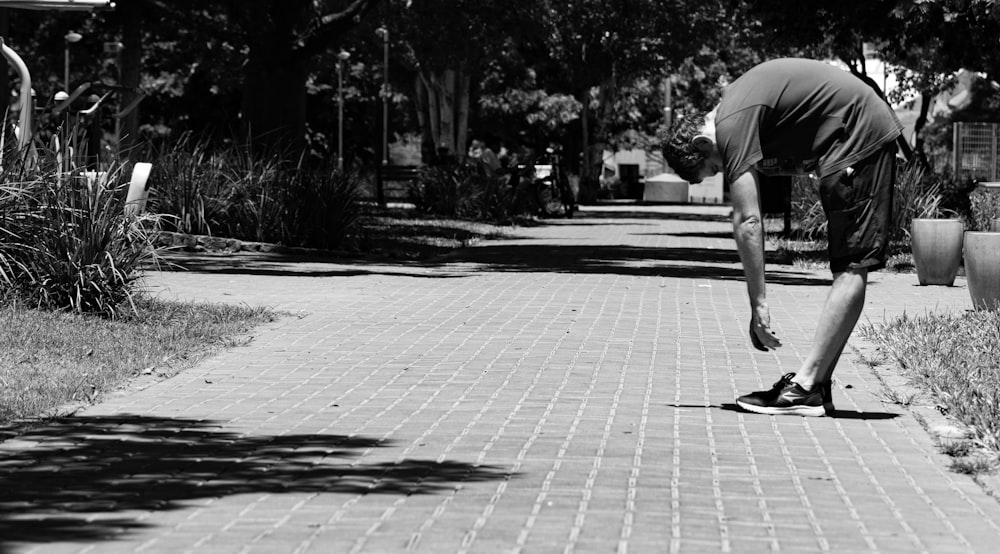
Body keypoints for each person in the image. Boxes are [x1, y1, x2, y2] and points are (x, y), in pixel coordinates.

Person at [664, 58, 904, 417]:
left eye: (713, 166)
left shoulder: (731, 123)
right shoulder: (735, 105)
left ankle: (804, 388)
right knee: (849, 265)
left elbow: (747, 220)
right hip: (856, 132)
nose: (722, 171)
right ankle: (815, 385)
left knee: (852, 265)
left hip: (859, 135)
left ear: (701, 143)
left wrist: (758, 305)